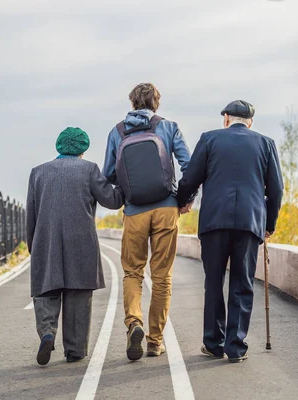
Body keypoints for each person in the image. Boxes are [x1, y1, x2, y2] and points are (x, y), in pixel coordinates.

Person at [176, 100, 284, 363]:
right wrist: (268, 224)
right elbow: (276, 189)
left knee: (213, 281)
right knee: (242, 283)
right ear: (250, 122)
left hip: (214, 221)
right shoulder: (266, 144)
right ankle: (235, 347)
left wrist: (182, 202)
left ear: (226, 118)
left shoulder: (209, 139)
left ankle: (213, 343)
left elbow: (191, 178)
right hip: (249, 224)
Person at [103, 83, 191, 360]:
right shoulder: (169, 127)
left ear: (132, 103)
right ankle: (155, 341)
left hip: (135, 211)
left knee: (132, 273)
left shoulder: (117, 132)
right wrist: (185, 200)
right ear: (156, 103)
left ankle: (134, 323)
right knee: (162, 276)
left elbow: (108, 175)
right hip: (166, 209)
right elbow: (188, 165)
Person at [27, 127, 124, 366]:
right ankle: (75, 350)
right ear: (82, 150)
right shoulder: (89, 169)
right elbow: (111, 200)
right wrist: (124, 183)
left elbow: (31, 214)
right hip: (81, 243)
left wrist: (34, 246)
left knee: (46, 292)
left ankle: (48, 332)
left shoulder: (38, 173)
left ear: (58, 146)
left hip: (46, 241)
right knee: (79, 294)